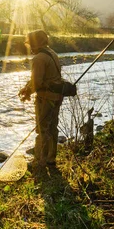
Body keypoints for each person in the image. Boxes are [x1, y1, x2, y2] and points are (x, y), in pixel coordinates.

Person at [18, 30, 75, 167]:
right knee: (52, 127)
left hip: (45, 99)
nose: (29, 46)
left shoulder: (38, 59)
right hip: (57, 97)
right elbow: (43, 78)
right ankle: (51, 158)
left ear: (35, 43)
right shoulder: (52, 53)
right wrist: (28, 87)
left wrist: (27, 93)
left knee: (42, 129)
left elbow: (36, 83)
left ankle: (40, 160)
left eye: (30, 43)